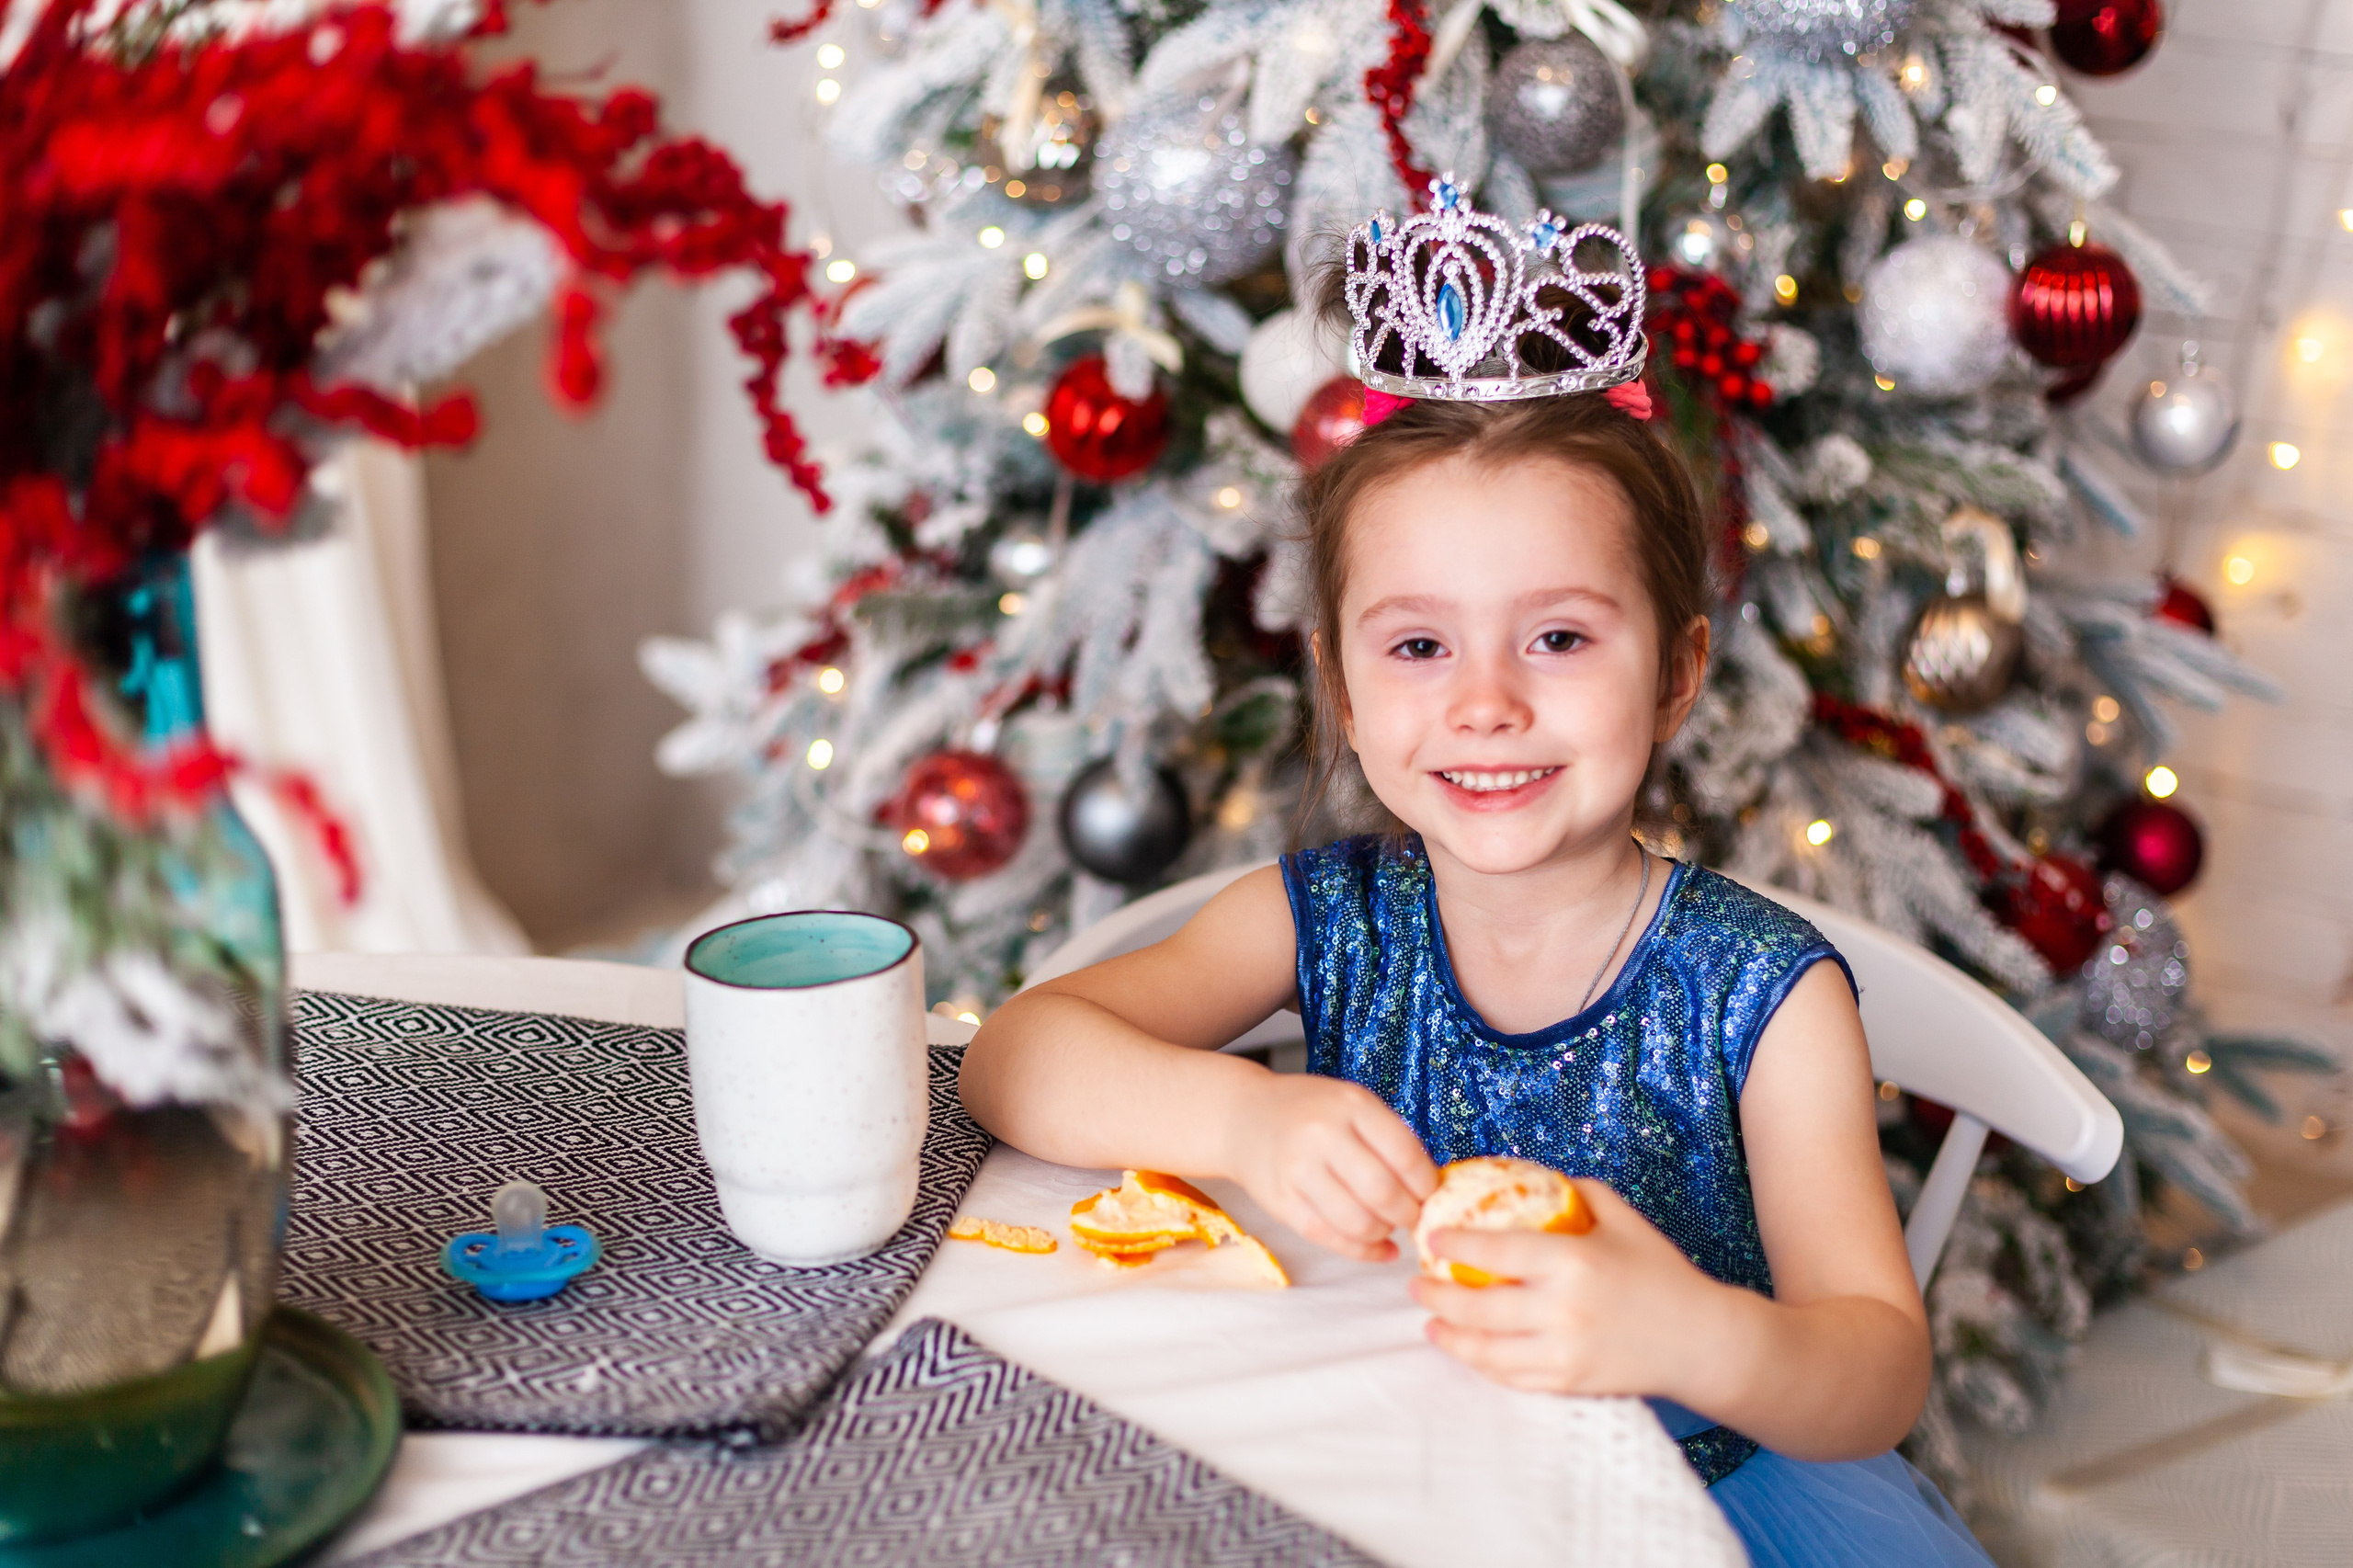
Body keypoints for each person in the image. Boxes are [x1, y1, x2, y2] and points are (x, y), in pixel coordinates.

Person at [961, 189, 1993, 1567]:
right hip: (1380, 1471)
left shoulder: (1762, 995)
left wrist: (1690, 1329)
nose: (1487, 703)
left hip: (1684, 1509)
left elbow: (1875, 1368)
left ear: (1678, 671)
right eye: (1419, 647)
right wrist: (1240, 1123)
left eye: (1558, 637)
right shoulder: (1324, 921)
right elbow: (1013, 1057)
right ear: (1336, 678)